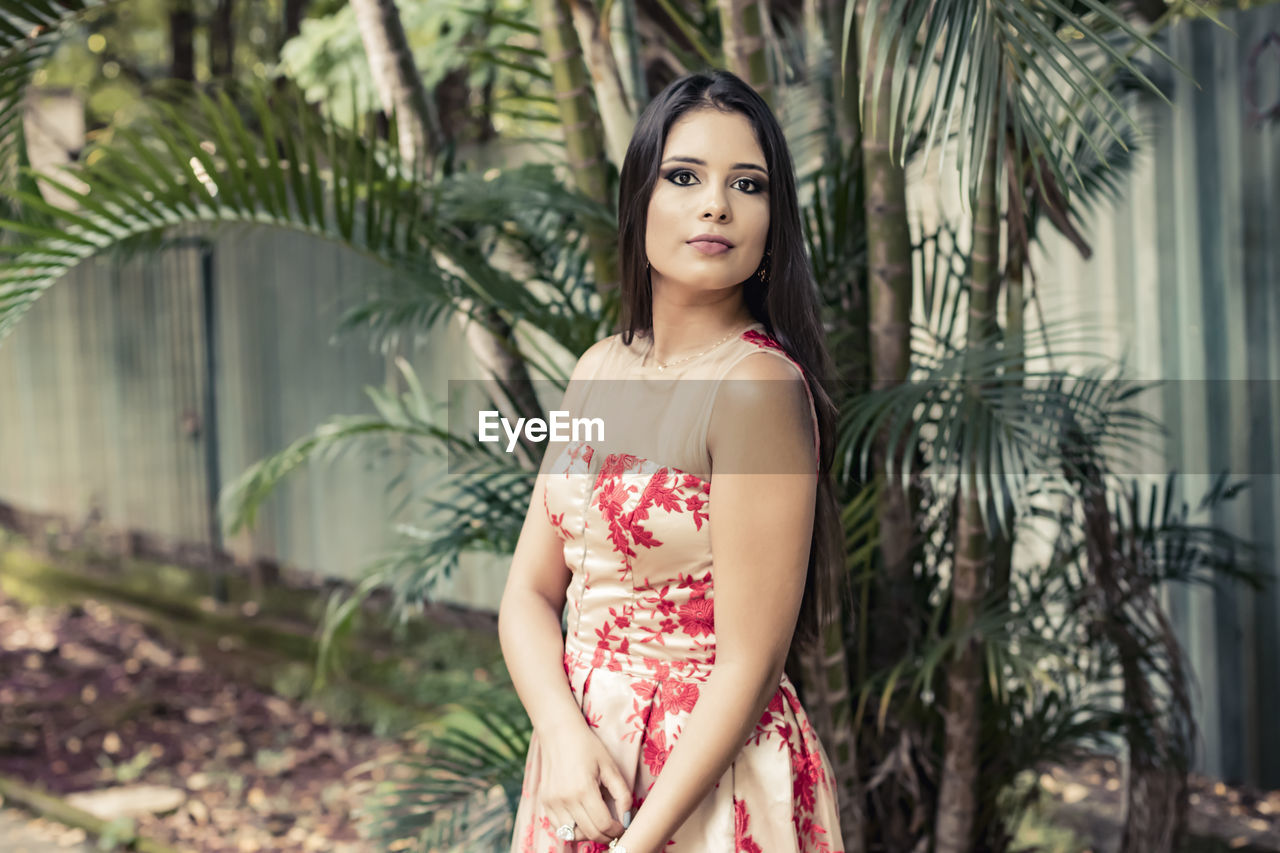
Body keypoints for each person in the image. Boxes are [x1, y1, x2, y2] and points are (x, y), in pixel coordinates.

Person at [499, 68, 845, 853]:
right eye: (684, 175)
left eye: (747, 184)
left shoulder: (756, 387)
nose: (716, 202)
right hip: (581, 764)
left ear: (771, 225)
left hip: (702, 786)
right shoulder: (598, 369)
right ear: (639, 203)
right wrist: (559, 730)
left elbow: (751, 664)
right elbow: (528, 590)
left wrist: (637, 844)